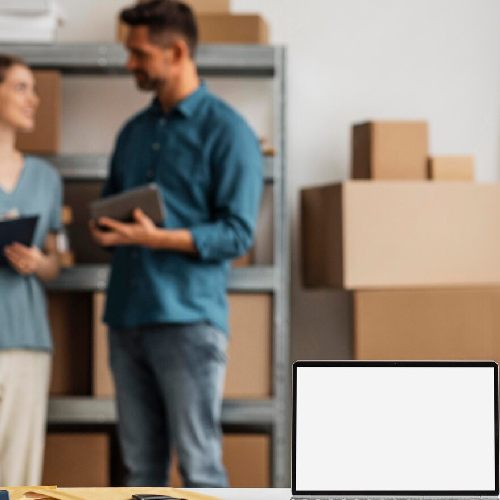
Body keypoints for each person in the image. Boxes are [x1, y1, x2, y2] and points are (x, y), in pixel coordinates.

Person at [89, 0, 263, 488]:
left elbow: (237, 233)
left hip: (188, 321)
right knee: (139, 471)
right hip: (126, 319)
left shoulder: (227, 132)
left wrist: (155, 237)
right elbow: (110, 208)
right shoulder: (133, 133)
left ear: (178, 51)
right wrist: (107, 229)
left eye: (139, 54)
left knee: (200, 466)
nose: (129, 64)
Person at [0, 54, 62, 486]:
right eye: (21, 87)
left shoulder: (46, 178)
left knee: (18, 475)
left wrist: (40, 262)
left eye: (34, 89)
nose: (33, 99)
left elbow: (58, 261)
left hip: (26, 341)